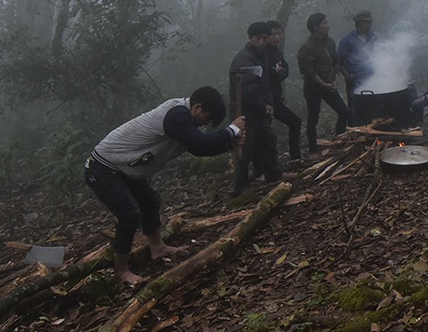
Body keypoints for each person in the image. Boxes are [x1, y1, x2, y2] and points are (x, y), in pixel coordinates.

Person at [86, 87, 240, 284]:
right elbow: (200, 143)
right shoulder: (177, 115)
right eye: (206, 118)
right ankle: (121, 270)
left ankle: (157, 248)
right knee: (129, 214)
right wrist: (232, 130)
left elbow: (197, 149)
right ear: (197, 107)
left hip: (125, 169)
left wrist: (229, 144)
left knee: (150, 201)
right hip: (103, 168)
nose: (205, 124)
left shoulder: (185, 119)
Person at [230, 22, 283, 190]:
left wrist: (269, 104)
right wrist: (264, 107)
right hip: (245, 114)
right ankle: (240, 188)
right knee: (245, 150)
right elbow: (247, 90)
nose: (261, 42)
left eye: (264, 38)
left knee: (269, 142)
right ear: (250, 38)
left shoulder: (262, 55)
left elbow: (265, 84)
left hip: (259, 112)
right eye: (257, 38)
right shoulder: (244, 58)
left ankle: (273, 177)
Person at [298, 12, 351, 152]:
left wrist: (335, 79)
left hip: (329, 86)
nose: (328, 25)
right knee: (313, 118)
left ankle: (339, 142)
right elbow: (308, 71)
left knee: (344, 112)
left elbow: (335, 62)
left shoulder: (330, 42)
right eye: (324, 23)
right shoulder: (307, 47)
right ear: (315, 27)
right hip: (313, 88)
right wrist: (323, 84)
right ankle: (313, 150)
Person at [264, 20, 304, 164]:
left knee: (295, 122)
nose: (276, 37)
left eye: (278, 34)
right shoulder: (262, 53)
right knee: (264, 134)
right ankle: (264, 168)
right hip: (265, 102)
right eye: (273, 34)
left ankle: (295, 157)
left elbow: (285, 69)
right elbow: (271, 74)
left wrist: (279, 73)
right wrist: (279, 73)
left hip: (276, 100)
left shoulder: (276, 51)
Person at [337, 10, 378, 109]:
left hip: (372, 77)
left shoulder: (373, 37)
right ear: (359, 23)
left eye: (370, 22)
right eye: (366, 22)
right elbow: (340, 60)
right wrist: (347, 75)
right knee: (355, 107)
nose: (369, 25)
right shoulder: (347, 40)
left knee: (373, 105)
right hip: (355, 79)